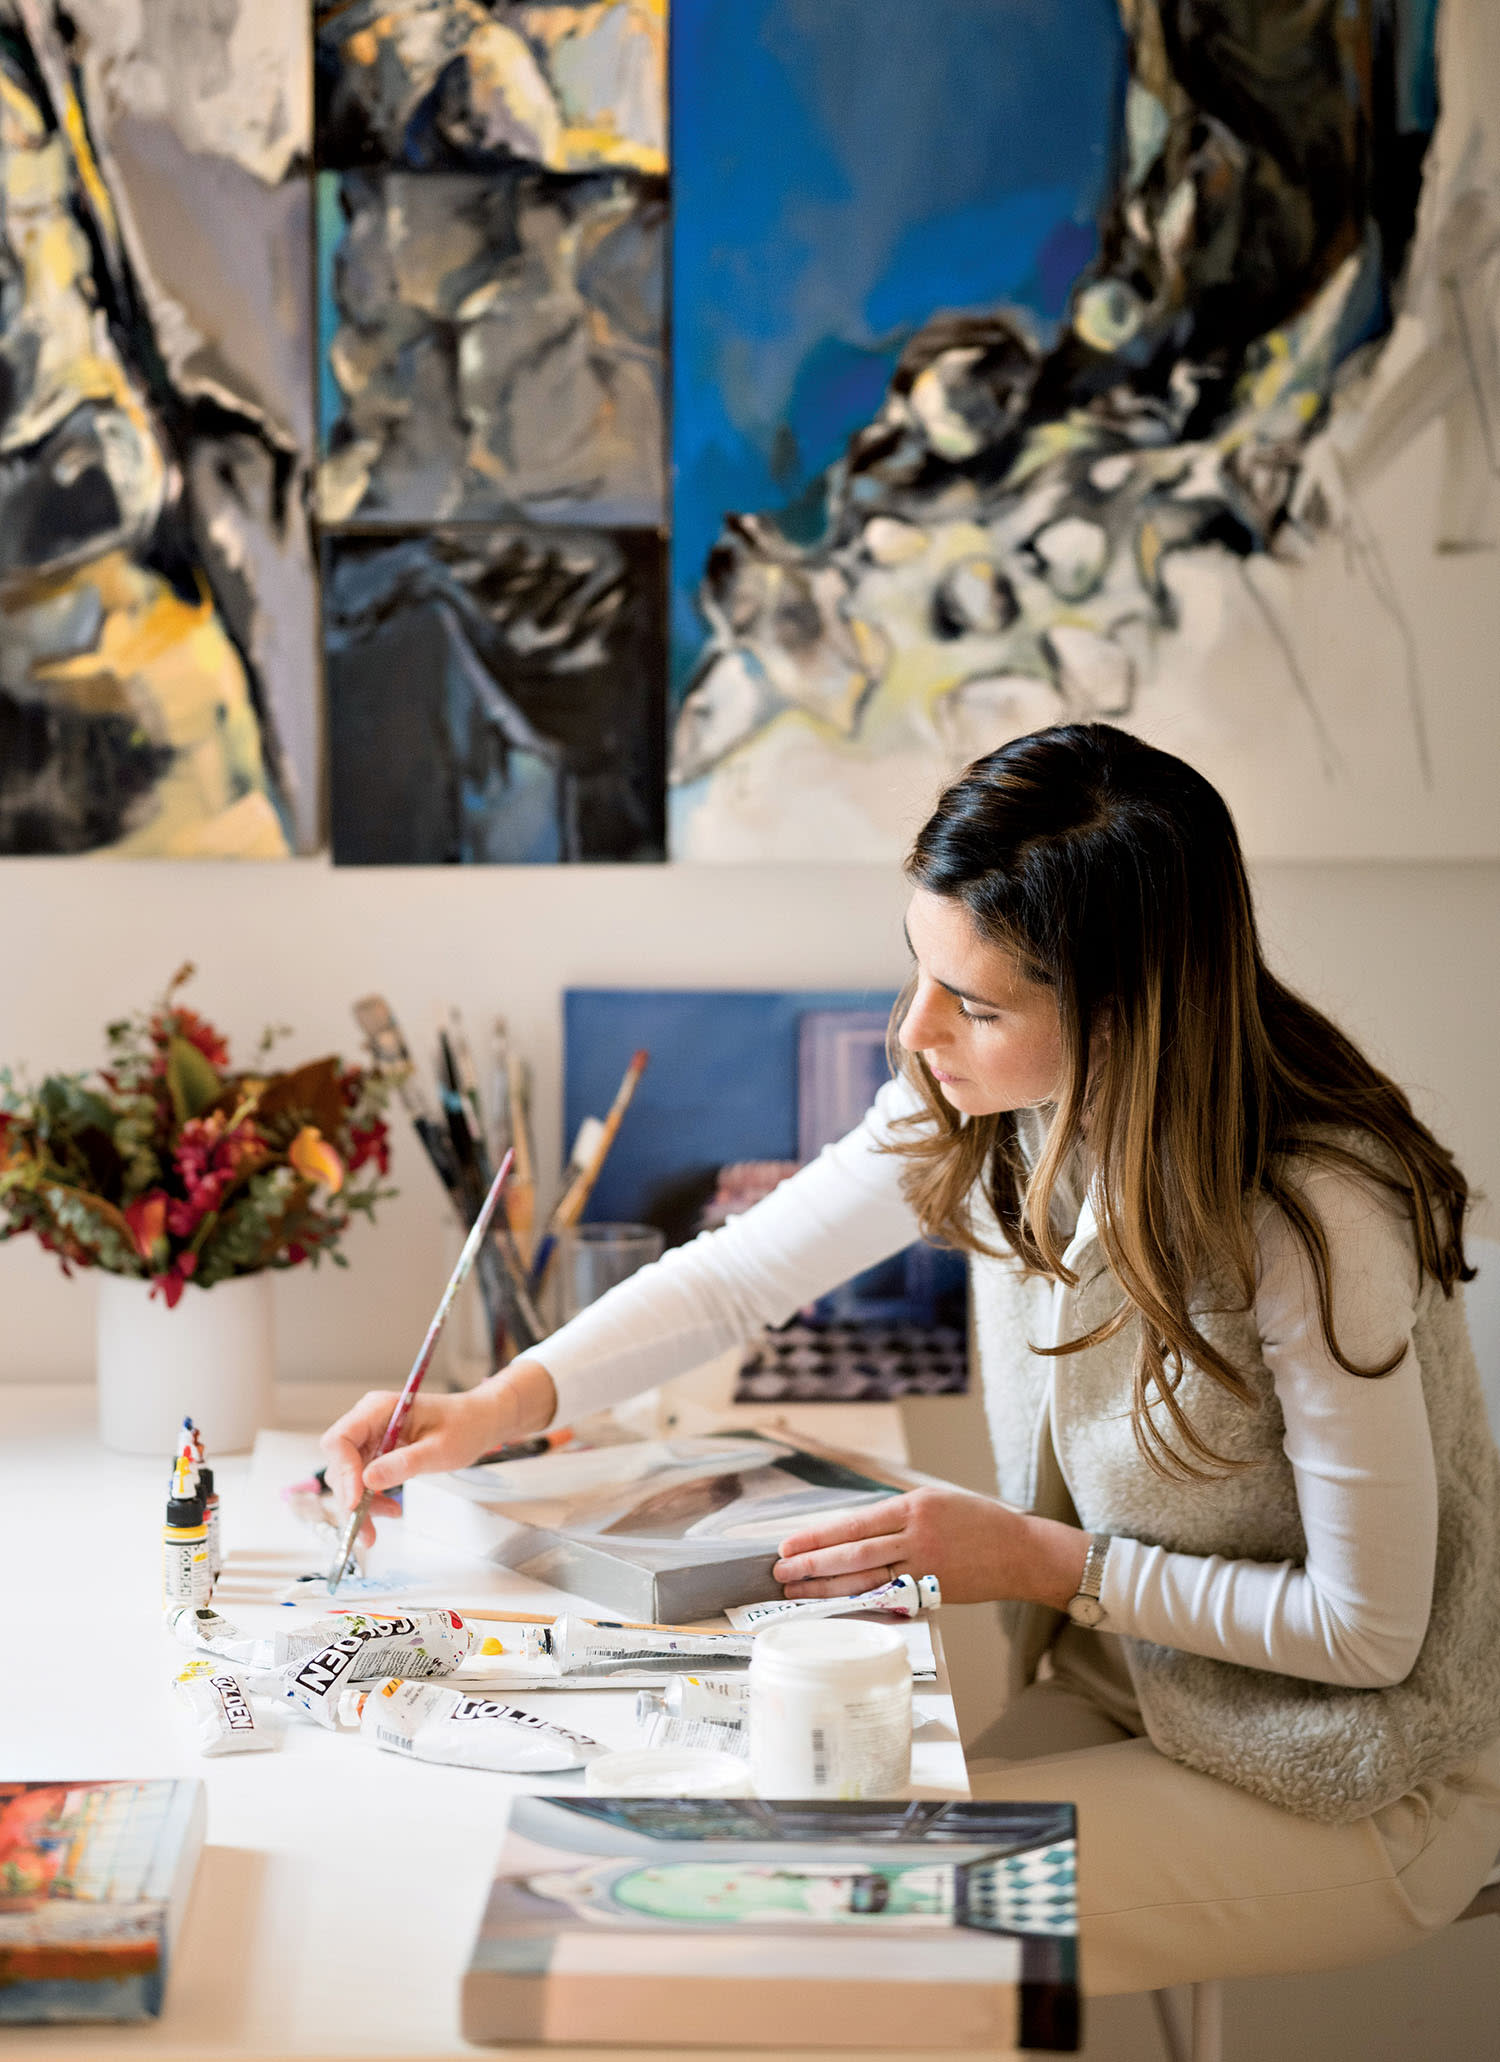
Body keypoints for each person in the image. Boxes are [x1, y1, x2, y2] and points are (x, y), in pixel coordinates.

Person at [322, 723, 1500, 1994]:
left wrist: (1039, 1562)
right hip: (1140, 1689)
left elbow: (1369, 1633)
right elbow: (741, 1272)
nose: (913, 1029)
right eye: (920, 970)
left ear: (1127, 1012)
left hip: (1355, 1765)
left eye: (975, 1003)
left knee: (828, 1925)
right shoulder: (991, 1105)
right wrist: (494, 1405)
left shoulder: (1317, 1214)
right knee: (760, 1830)